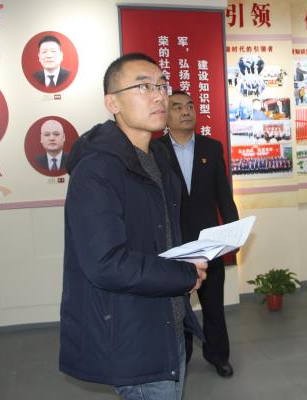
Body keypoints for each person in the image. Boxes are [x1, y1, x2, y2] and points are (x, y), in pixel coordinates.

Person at [59, 53, 208, 400]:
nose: (159, 96)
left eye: (161, 86)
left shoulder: (157, 159)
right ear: (112, 103)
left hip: (168, 321)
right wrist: (183, 274)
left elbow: (159, 238)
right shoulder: (96, 169)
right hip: (135, 333)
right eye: (143, 87)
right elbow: (106, 263)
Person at [159, 90, 239, 378]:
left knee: (213, 305)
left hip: (209, 244)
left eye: (190, 106)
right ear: (165, 116)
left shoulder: (211, 148)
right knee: (177, 308)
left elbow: (224, 195)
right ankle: (181, 356)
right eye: (177, 107)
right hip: (174, 244)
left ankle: (218, 355)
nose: (185, 112)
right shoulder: (156, 151)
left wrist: (234, 233)